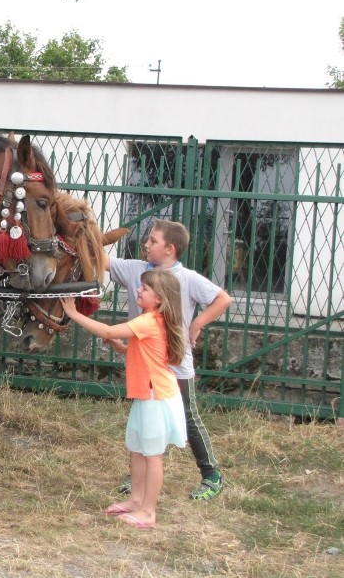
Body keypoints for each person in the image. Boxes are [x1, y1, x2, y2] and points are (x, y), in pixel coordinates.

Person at [108, 219, 233, 500]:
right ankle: (139, 480)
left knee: (188, 419)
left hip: (176, 366)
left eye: (153, 241)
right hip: (146, 368)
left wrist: (198, 322)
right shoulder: (135, 269)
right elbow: (99, 260)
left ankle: (212, 475)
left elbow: (222, 299)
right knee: (144, 423)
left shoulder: (186, 277)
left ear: (170, 248)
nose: (146, 244)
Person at [61, 270, 187, 529]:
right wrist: (123, 348)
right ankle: (137, 500)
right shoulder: (152, 319)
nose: (139, 290)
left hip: (156, 396)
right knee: (137, 448)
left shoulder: (150, 321)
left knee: (152, 455)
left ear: (160, 298)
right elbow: (150, 351)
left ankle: (148, 512)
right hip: (147, 394)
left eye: (145, 288)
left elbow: (107, 329)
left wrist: (74, 314)